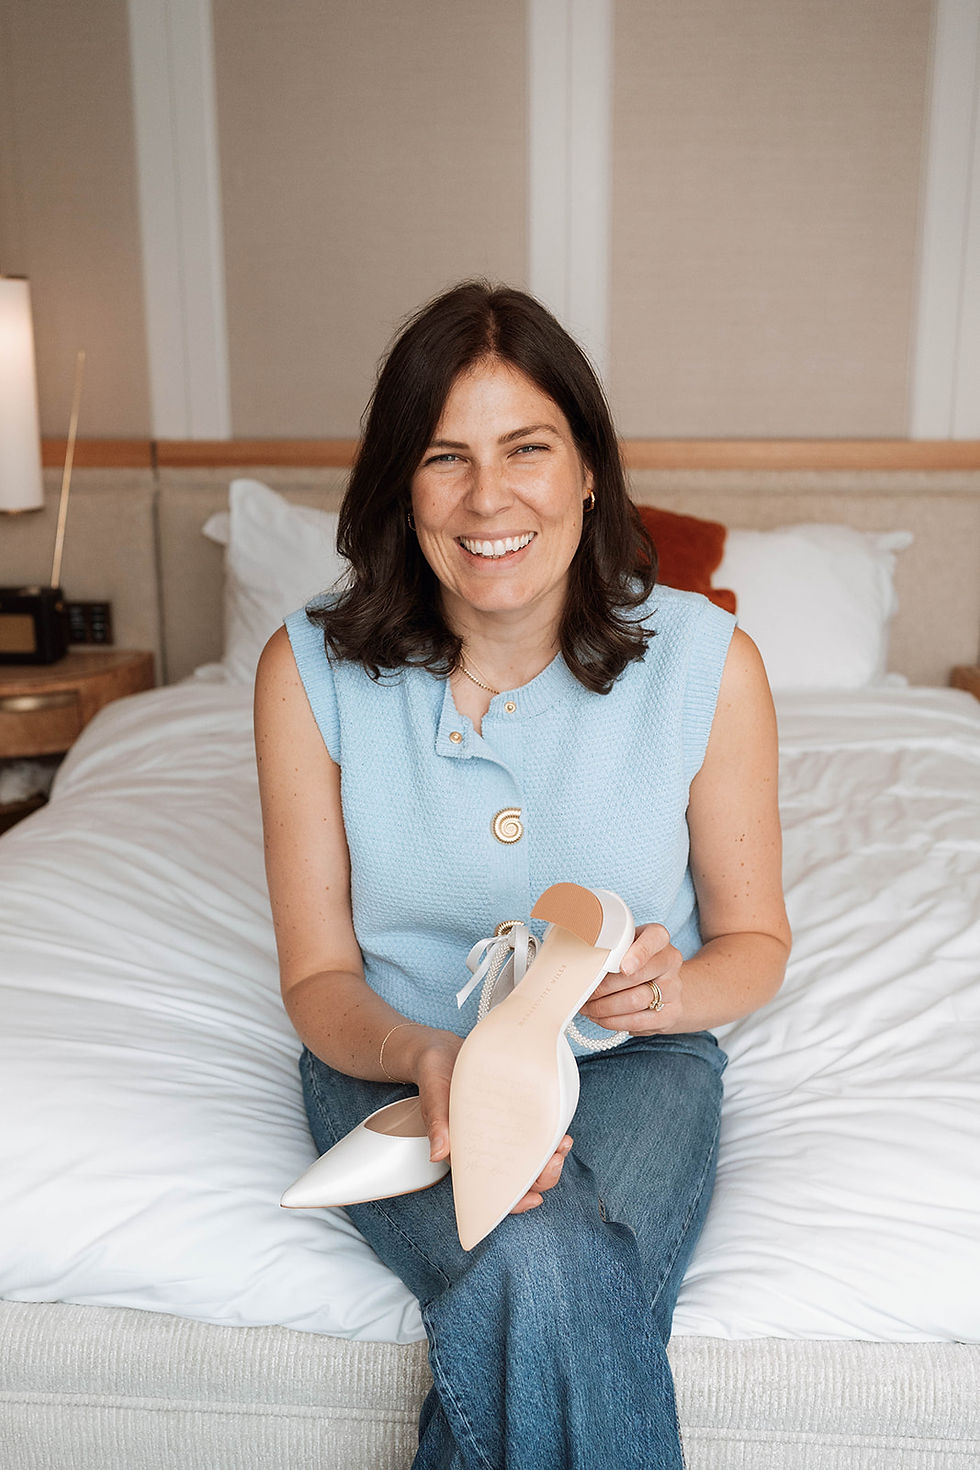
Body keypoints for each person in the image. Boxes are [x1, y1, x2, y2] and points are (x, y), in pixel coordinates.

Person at [254, 280, 791, 1470]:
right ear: (401, 484)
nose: (488, 498)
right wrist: (425, 1059)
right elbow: (319, 973)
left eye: (526, 449)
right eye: (444, 457)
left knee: (536, 1280)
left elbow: (753, 942)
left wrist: (670, 995)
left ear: (588, 470)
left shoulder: (709, 661)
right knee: (541, 1262)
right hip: (388, 1052)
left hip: (634, 1061)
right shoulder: (308, 673)